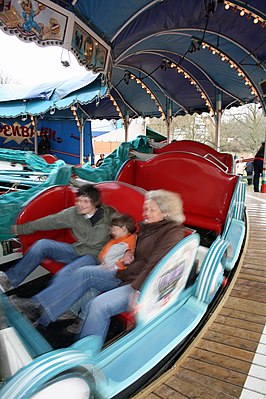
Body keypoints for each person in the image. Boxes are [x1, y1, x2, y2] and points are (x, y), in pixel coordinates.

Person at [10, 189, 186, 346]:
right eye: (146, 208)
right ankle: (37, 308)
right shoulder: (149, 227)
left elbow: (156, 264)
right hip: (126, 273)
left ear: (166, 212)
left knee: (98, 305)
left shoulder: (173, 233)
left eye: (151, 209)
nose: (145, 212)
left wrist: (138, 291)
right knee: (83, 273)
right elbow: (135, 247)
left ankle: (86, 352)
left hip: (142, 285)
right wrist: (129, 254)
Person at [0, 184, 114, 292]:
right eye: (78, 200)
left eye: (85, 201)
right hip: (78, 249)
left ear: (96, 203)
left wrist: (114, 259)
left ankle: (41, 304)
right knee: (42, 245)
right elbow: (48, 221)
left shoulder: (110, 217)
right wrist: (20, 229)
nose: (80, 204)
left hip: (95, 256)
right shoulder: (73, 213)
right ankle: (10, 279)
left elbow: (123, 237)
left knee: (64, 274)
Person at [66, 211, 137, 333]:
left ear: (124, 229)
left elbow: (126, 260)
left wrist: (114, 265)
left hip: (116, 275)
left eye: (114, 229)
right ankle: (73, 310)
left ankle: (82, 318)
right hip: (106, 268)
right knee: (88, 283)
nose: (112, 232)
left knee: (90, 284)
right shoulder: (119, 238)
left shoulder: (128, 241)